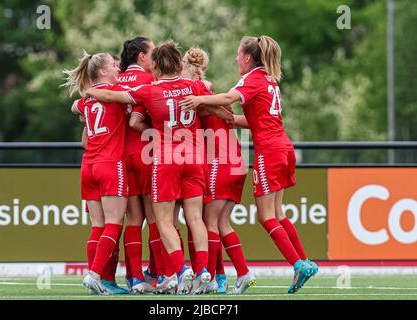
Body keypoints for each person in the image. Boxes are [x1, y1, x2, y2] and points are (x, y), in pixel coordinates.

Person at [181, 36, 319, 294]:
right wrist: (231, 119)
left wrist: (200, 100)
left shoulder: (252, 78)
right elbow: (257, 120)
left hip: (268, 151)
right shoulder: (270, 80)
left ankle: (298, 263)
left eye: (237, 54)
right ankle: (305, 261)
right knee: (278, 213)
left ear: (247, 57)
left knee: (265, 217)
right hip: (283, 147)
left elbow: (228, 97)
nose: (235, 59)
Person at [85, 41, 216, 294]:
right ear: (180, 64)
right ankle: (201, 272)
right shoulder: (194, 86)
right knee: (194, 219)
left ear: (155, 63)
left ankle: (173, 271)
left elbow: (112, 98)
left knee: (156, 219)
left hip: (156, 158)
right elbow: (219, 101)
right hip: (191, 156)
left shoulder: (148, 88)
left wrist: (89, 93)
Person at [182, 47, 254, 294]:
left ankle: (210, 278)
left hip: (220, 164)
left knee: (208, 223)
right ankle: (239, 274)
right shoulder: (208, 94)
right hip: (237, 163)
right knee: (222, 223)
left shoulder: (196, 95)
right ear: (204, 69)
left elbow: (209, 109)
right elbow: (220, 110)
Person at [62, 51, 129, 295]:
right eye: (113, 64)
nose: (118, 67)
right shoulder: (116, 93)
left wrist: (86, 97)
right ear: (102, 72)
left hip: (88, 166)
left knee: (97, 225)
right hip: (110, 164)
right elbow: (136, 95)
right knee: (114, 223)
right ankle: (95, 275)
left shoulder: (86, 100)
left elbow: (74, 106)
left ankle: (94, 277)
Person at [116, 36, 157, 294]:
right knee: (156, 218)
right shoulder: (150, 81)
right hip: (147, 153)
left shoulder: (115, 82)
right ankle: (162, 275)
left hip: (122, 156)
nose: (155, 58)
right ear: (141, 56)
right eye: (152, 52)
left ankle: (134, 278)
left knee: (133, 219)